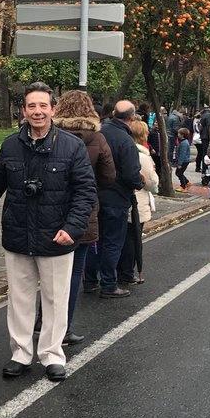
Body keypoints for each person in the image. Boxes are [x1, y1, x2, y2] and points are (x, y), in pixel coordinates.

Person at [0, 83, 96, 382]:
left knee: (55, 300)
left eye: (43, 106)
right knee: (19, 299)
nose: (37, 111)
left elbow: (86, 193)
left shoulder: (72, 146)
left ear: (53, 108)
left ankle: (51, 354)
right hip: (18, 234)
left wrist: (71, 228)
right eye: (31, 106)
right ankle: (20, 353)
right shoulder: (11, 145)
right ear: (23, 110)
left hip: (56, 237)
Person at [48, 90, 115, 345]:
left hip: (53, 210)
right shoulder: (97, 138)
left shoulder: (52, 136)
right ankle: (63, 329)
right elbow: (109, 176)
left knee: (48, 270)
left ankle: (42, 319)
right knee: (74, 273)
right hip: (84, 211)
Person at [86, 100, 144, 299]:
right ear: (131, 117)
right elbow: (131, 174)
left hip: (94, 194)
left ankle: (90, 280)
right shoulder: (125, 141)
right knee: (112, 241)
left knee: (94, 240)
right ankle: (109, 284)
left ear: (112, 113)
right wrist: (139, 182)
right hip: (116, 197)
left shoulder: (99, 133)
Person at [119, 120, 159, 283]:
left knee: (123, 238)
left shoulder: (125, 150)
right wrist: (155, 177)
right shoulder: (143, 156)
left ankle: (120, 271)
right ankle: (127, 273)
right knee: (133, 239)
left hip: (124, 200)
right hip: (138, 201)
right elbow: (151, 182)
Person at [195, 105, 210, 172]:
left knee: (201, 153)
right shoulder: (209, 116)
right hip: (206, 137)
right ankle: (205, 169)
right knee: (206, 153)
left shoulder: (202, 116)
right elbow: (209, 126)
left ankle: (200, 167)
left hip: (202, 136)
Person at [174, 127, 192, 191]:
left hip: (184, 161)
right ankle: (187, 182)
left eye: (179, 133)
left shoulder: (184, 143)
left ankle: (183, 186)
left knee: (179, 173)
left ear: (182, 135)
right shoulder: (183, 142)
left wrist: (179, 163)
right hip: (184, 161)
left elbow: (182, 154)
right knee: (179, 173)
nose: (178, 135)